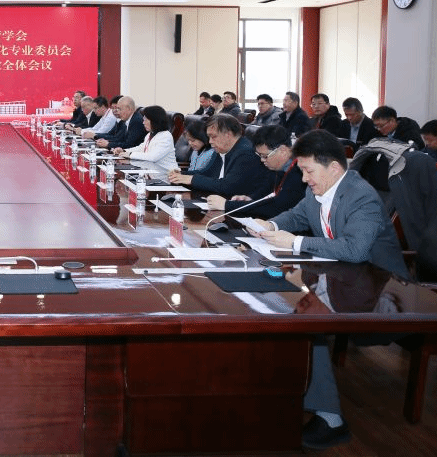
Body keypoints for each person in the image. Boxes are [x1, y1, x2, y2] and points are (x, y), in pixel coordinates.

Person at [247, 130, 408, 450]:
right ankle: (281, 391)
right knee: (271, 300)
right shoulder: (319, 189)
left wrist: (296, 242)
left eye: (308, 171)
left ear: (334, 167)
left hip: (375, 286)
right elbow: (297, 215)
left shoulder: (361, 196)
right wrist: (271, 226)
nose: (304, 179)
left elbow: (356, 250)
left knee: (303, 321)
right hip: (337, 276)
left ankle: (331, 418)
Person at [206, 125, 305, 218]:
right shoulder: (277, 167)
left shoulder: (300, 173)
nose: (262, 160)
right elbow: (266, 190)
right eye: (260, 155)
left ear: (283, 150)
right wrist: (250, 198)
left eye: (265, 156)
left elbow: (276, 208)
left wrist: (227, 205)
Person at [168, 114, 273, 198]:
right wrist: (181, 174)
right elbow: (207, 173)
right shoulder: (222, 149)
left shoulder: (245, 153)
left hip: (242, 208)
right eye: (209, 137)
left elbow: (228, 186)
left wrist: (191, 179)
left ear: (228, 135)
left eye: (213, 137)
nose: (210, 141)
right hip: (219, 200)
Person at [112, 105, 177, 178]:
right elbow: (142, 148)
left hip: (166, 176)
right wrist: (124, 151)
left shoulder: (165, 136)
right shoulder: (150, 134)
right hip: (150, 173)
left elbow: (153, 157)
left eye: (146, 120)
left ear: (154, 120)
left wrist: (130, 154)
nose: (143, 123)